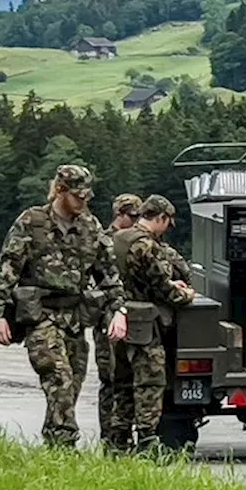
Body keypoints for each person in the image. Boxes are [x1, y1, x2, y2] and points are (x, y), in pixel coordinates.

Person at [0, 164, 129, 449]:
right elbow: (7, 267)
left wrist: (119, 310)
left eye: (87, 196)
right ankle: (64, 446)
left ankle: (54, 444)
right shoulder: (32, 222)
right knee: (58, 377)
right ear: (60, 191)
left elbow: (108, 273)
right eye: (78, 196)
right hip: (40, 316)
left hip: (74, 317)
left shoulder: (90, 226)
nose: (83, 202)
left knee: (72, 383)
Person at [112, 194, 197, 452]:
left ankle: (117, 441)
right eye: (166, 223)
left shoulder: (119, 238)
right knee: (150, 383)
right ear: (160, 218)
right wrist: (186, 294)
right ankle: (147, 441)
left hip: (120, 319)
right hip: (145, 326)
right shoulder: (145, 245)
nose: (166, 229)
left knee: (123, 384)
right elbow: (162, 288)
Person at [95, 193, 143, 453]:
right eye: (132, 217)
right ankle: (110, 438)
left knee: (130, 379)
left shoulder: (137, 241)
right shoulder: (103, 241)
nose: (135, 222)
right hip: (107, 317)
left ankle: (124, 435)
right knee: (110, 379)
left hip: (133, 317)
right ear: (120, 215)